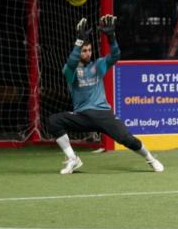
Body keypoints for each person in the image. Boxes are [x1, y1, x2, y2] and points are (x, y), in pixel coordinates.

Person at [48, 15, 164, 174]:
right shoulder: (70, 71)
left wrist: (111, 37)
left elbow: (115, 55)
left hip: (103, 114)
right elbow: (71, 62)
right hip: (82, 116)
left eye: (89, 50)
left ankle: (151, 158)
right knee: (54, 121)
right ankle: (73, 159)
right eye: (84, 51)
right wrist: (78, 43)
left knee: (128, 140)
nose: (88, 53)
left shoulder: (98, 65)